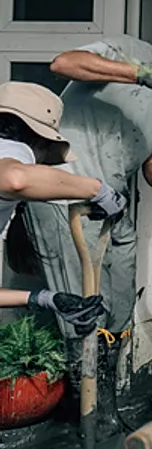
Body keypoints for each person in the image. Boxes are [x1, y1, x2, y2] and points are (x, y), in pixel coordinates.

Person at [22, 24, 152, 434]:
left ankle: (105, 403)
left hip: (112, 204)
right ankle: (86, 417)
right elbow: (64, 63)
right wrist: (140, 74)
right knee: (81, 307)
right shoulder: (122, 49)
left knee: (116, 306)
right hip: (64, 197)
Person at [0, 82, 124, 337]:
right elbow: (15, 179)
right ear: (40, 142)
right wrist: (98, 190)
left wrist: (44, 299)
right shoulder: (11, 150)